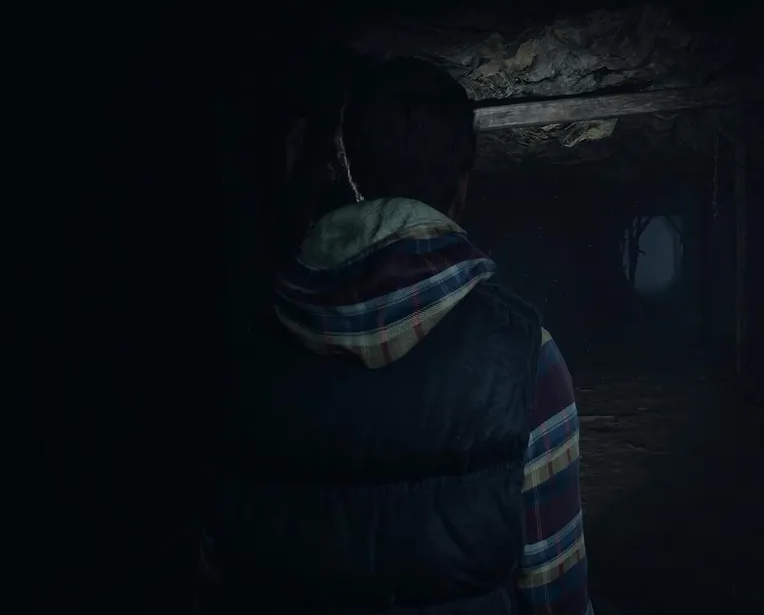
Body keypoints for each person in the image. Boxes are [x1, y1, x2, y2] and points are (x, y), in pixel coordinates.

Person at [200, 56, 594, 615]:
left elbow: (217, 569)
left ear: (353, 176)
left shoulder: (250, 350)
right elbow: (558, 596)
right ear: (463, 187)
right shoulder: (528, 357)